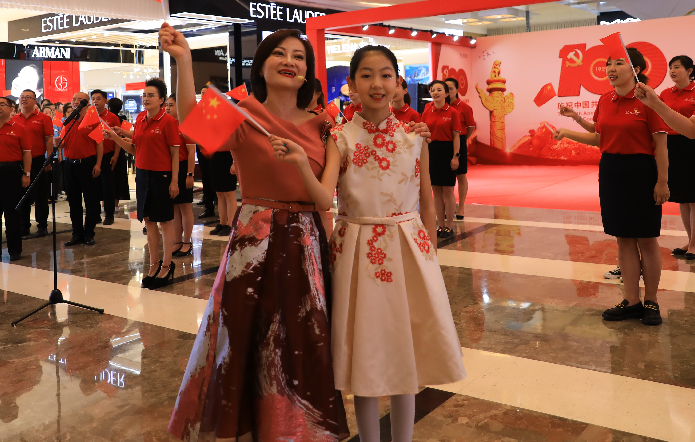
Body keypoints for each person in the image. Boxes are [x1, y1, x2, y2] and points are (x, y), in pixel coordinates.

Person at [160, 24, 349, 441]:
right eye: (279, 54)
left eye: (299, 57)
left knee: (303, 339)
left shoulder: (324, 124)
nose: (289, 62)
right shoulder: (244, 115)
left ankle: (301, 428)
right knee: (248, 336)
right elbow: (191, 121)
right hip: (255, 243)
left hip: (308, 243)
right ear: (261, 66)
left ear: (307, 71)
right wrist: (184, 60)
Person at [272, 44, 466, 442]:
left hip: (409, 251)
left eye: (385, 75)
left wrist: (430, 256)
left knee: (405, 353)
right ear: (352, 84)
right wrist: (300, 163)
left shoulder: (415, 137)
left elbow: (427, 201)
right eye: (366, 75)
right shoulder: (340, 137)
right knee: (365, 355)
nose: (377, 84)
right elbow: (324, 199)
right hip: (357, 253)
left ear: (398, 83)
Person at [553, 47, 669, 326]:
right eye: (608, 64)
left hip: (642, 172)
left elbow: (662, 145)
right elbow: (599, 138)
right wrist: (569, 129)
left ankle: (651, 301)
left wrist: (662, 182)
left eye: (618, 63)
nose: (611, 69)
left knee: (647, 239)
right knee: (623, 238)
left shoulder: (649, 100)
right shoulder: (605, 100)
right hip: (611, 172)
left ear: (636, 70)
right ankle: (631, 300)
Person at [104, 78, 180, 288]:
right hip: (143, 175)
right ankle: (154, 264)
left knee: (165, 222)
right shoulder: (139, 119)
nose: (146, 98)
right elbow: (134, 150)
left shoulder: (169, 122)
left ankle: (167, 265)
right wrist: (114, 137)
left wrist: (174, 181)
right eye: (144, 95)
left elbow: (175, 154)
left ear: (161, 100)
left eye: (151, 95)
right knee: (148, 221)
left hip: (162, 176)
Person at [653, 56, 695, 260]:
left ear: (689, 70)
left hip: (692, 144)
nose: (672, 71)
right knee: (683, 198)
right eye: (671, 68)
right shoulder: (664, 94)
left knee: (694, 198)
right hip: (673, 146)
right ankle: (690, 240)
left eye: (677, 67)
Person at [61, 92, 103, 246]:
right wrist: (58, 142)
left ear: (86, 103)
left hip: (87, 164)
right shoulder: (68, 120)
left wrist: (98, 164)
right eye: (73, 99)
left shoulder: (92, 120)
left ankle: (89, 233)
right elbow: (64, 142)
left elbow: (99, 143)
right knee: (73, 201)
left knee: (91, 201)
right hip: (69, 164)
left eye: (79, 99)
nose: (75, 102)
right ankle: (76, 233)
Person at [422, 79, 462, 239]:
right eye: (432, 90)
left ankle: (450, 225)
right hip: (431, 151)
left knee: (448, 190)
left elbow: (456, 137)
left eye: (439, 90)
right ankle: (441, 225)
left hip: (447, 150)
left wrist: (455, 156)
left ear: (446, 93)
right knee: (436, 190)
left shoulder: (453, 112)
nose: (435, 92)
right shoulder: (427, 111)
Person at [13, 89, 53, 238]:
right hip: (19, 161)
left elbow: (49, 139)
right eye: (22, 97)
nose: (23, 99)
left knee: (40, 194)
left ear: (35, 101)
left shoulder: (43, 118)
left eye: (27, 97)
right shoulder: (14, 119)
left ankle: (42, 225)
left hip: (38, 160)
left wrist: (48, 158)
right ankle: (24, 226)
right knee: (21, 194)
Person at [0, 96, 32, 260]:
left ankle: (14, 250)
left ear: (11, 108)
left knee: (12, 212)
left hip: (11, 172)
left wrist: (26, 173)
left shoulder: (19, 128)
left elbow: (27, 153)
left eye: (2, 104)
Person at [164, 94, 195, 256]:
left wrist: (190, 174)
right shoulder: (168, 124)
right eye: (166, 105)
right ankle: (177, 241)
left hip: (183, 168)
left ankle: (187, 242)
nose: (167, 108)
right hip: (171, 168)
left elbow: (191, 152)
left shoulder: (186, 125)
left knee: (185, 206)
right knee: (174, 207)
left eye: (171, 105)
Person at [445, 77, 475, 221]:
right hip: (445, 143)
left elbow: (470, 127)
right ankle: (448, 206)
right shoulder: (441, 107)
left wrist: (462, 139)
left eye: (451, 88)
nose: (448, 91)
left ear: (457, 90)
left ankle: (461, 206)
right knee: (445, 178)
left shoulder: (464, 107)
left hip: (460, 141)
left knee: (461, 175)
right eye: (446, 88)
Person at [91, 89, 122, 225]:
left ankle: (109, 214)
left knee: (108, 185)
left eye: (98, 98)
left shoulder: (112, 117)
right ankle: (95, 214)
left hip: (107, 155)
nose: (95, 101)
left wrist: (116, 155)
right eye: (93, 98)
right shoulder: (89, 116)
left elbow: (118, 139)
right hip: (92, 155)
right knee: (93, 186)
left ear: (105, 101)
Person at [195, 85, 216, 219]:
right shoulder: (198, 108)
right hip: (201, 145)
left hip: (213, 147)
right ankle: (208, 201)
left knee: (212, 175)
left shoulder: (215, 109)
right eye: (202, 93)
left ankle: (213, 199)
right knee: (205, 175)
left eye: (206, 93)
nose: (203, 95)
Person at [208, 146, 237, 236]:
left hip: (228, 156)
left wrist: (235, 162)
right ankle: (222, 223)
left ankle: (230, 224)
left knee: (229, 193)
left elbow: (237, 144)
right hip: (215, 155)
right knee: (219, 193)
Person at [107, 97, 131, 208]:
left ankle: (105, 203)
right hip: (122, 150)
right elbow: (126, 135)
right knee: (119, 177)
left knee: (108, 178)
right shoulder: (125, 120)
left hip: (110, 150)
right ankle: (116, 204)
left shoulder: (108, 119)